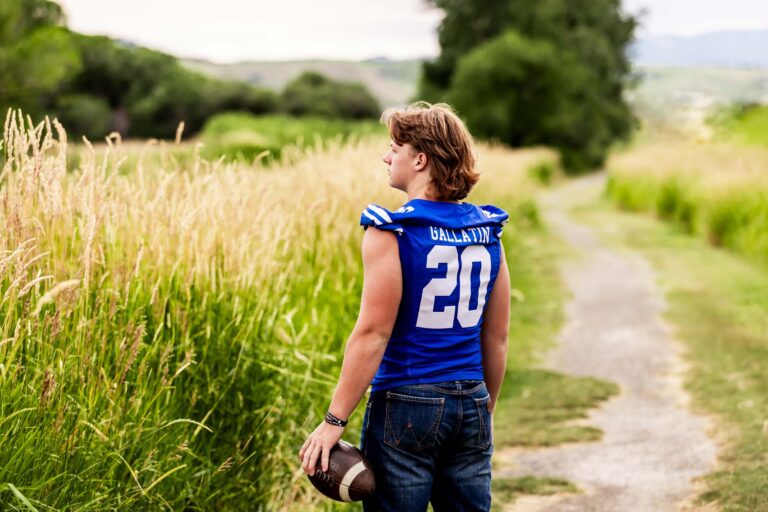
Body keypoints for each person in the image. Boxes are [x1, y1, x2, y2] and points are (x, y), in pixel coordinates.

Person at [299, 102, 511, 511]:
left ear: (420, 159)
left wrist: (333, 422)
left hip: (406, 402)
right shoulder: (488, 231)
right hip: (471, 399)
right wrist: (486, 406)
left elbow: (373, 334)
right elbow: (497, 335)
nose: (386, 155)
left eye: (395, 146)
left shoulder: (392, 230)